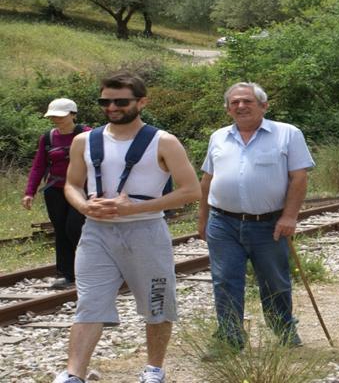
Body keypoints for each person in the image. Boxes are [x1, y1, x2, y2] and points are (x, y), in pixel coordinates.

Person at [54, 72, 200, 383]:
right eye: (105, 101)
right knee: (89, 302)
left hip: (145, 231)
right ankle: (73, 374)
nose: (112, 107)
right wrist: (83, 206)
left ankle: (153, 369)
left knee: (157, 302)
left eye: (121, 101)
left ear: (141, 102)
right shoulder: (84, 141)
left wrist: (135, 208)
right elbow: (71, 185)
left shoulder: (164, 141)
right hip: (96, 233)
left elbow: (190, 191)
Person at [198, 82, 316, 352]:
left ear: (264, 105)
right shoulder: (218, 137)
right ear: (228, 109)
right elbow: (207, 180)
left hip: (269, 224)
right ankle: (230, 337)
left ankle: (284, 330)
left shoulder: (287, 134)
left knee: (275, 280)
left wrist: (290, 217)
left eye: (247, 101)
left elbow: (298, 178)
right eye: (235, 102)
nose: (241, 106)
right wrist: (202, 219)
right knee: (225, 280)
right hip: (222, 222)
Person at [22, 99, 90, 289]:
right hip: (55, 190)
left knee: (75, 228)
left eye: (61, 115)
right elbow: (38, 166)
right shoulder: (48, 137)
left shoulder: (87, 134)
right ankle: (67, 274)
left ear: (73, 115)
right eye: (53, 116)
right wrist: (30, 192)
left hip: (81, 189)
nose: (56, 119)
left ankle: (90, 268)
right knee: (60, 231)